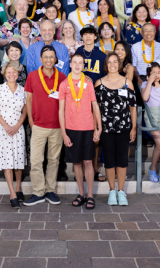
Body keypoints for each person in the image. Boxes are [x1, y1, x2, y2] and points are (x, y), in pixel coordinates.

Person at [23, 45, 68, 206]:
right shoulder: (33, 76)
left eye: (51, 57)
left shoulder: (62, 77)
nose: (49, 60)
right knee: (35, 160)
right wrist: (30, 120)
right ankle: (38, 192)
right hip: (38, 125)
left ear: (56, 59)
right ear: (40, 60)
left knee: (54, 160)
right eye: (46, 57)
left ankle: (50, 190)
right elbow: (28, 100)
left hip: (57, 125)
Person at [59, 53, 102, 209]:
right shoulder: (64, 84)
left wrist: (99, 128)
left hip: (88, 127)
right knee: (76, 162)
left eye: (80, 63)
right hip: (71, 128)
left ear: (84, 65)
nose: (77, 65)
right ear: (70, 64)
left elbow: (95, 106)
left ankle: (90, 195)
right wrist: (64, 133)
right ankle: (81, 193)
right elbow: (61, 111)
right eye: (74, 62)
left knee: (88, 161)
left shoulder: (88, 83)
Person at [94, 52, 137, 205]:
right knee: (109, 161)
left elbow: (133, 108)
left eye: (115, 62)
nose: (112, 64)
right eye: (109, 62)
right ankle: (112, 191)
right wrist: (96, 128)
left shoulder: (127, 82)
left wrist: (133, 128)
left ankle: (121, 191)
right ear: (106, 65)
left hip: (124, 128)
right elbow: (96, 108)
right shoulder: (99, 83)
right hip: (106, 129)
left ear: (119, 64)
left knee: (122, 161)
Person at [0, 61, 28, 208]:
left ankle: (18, 187)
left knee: (18, 160)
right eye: (9, 72)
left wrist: (18, 125)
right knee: (7, 161)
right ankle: (12, 193)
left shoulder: (23, 90)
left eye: (14, 72)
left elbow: (25, 111)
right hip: (3, 129)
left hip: (18, 129)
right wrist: (6, 125)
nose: (12, 74)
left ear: (18, 74)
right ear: (5, 74)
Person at [142, 62, 160, 185]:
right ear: (148, 74)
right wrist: (149, 82)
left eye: (158, 72)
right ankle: (152, 168)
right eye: (153, 72)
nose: (156, 75)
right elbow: (145, 98)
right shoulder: (145, 84)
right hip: (151, 116)